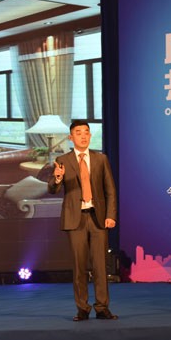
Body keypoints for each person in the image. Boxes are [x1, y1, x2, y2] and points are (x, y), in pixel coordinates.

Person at [48, 120, 118, 321]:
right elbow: (52, 189)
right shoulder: (62, 160)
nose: (83, 136)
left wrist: (111, 215)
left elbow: (110, 190)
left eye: (86, 132)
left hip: (98, 218)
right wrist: (58, 178)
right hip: (75, 219)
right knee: (79, 267)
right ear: (71, 137)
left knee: (100, 266)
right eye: (78, 132)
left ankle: (102, 308)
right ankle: (82, 308)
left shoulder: (100, 159)